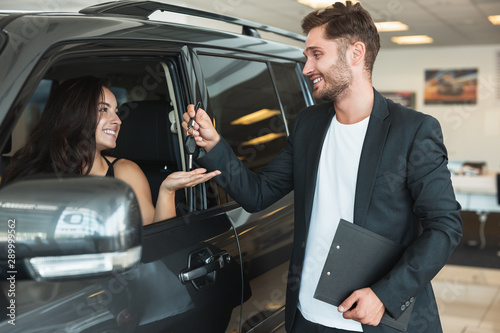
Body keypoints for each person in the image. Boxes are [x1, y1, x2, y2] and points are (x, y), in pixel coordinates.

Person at [182, 1, 462, 332]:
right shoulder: (309, 125)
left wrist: (386, 294)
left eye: (317, 54)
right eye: (306, 56)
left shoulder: (413, 131)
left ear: (355, 54)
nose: (306, 68)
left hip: (376, 320)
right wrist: (214, 145)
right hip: (308, 319)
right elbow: (258, 194)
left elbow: (444, 226)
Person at [2, 76, 220, 225]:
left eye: (116, 111)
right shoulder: (30, 172)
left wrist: (167, 191)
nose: (117, 120)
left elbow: (159, 244)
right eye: (103, 110)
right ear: (74, 114)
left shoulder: (124, 172)